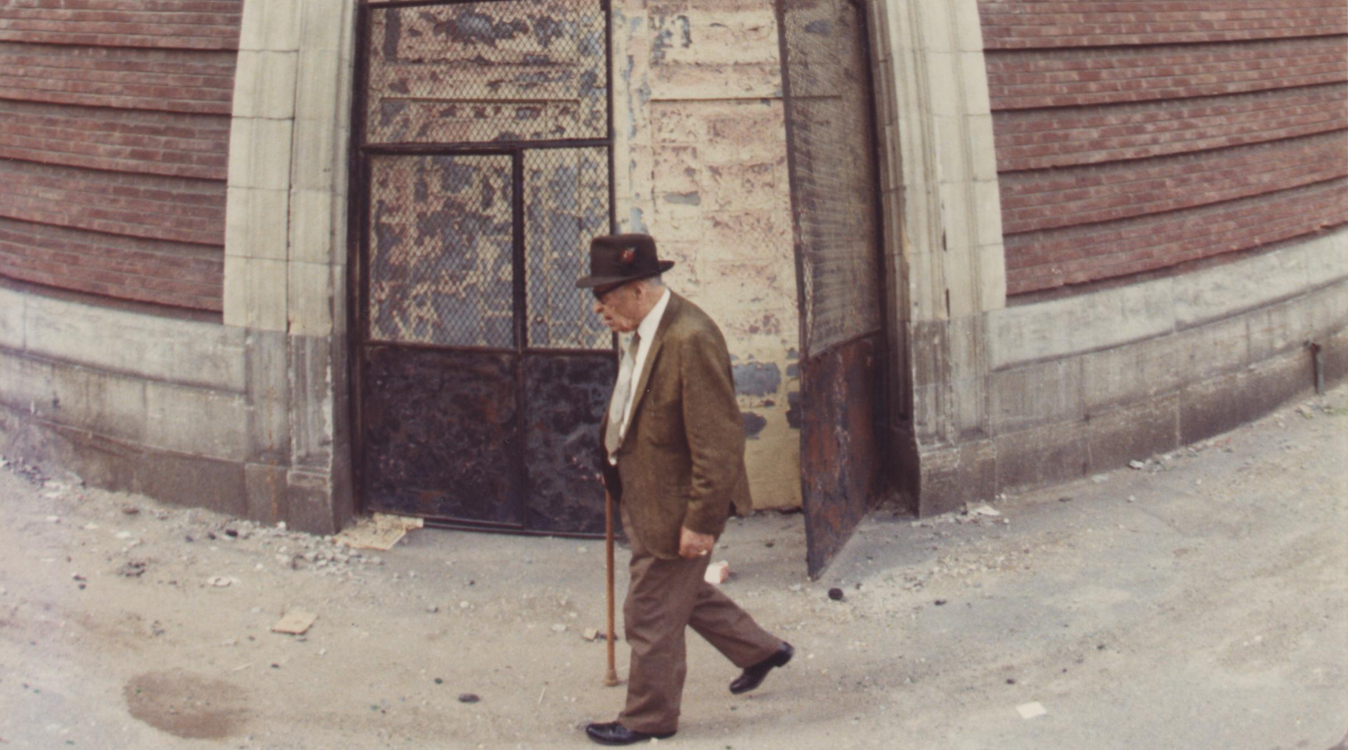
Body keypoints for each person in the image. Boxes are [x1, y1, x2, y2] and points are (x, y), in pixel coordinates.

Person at [576, 233, 793, 746]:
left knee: (650, 611)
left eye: (604, 298)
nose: (598, 310)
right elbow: (634, 405)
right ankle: (762, 651)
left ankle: (648, 718)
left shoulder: (689, 337)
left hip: (677, 506)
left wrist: (701, 523)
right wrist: (611, 458)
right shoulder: (645, 329)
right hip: (645, 492)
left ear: (637, 290)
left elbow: (719, 442)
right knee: (682, 593)